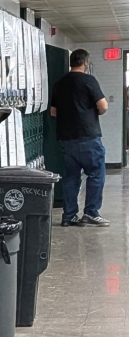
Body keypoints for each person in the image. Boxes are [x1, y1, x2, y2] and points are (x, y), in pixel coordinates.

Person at [50, 48, 110, 226]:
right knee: (96, 174)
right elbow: (103, 106)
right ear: (85, 63)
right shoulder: (88, 80)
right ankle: (91, 212)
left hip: (67, 139)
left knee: (71, 177)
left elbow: (54, 112)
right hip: (88, 136)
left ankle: (69, 216)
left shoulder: (59, 83)